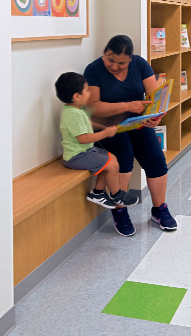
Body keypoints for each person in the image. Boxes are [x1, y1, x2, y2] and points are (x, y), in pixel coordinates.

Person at [84, 35, 177, 237]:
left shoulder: (140, 64)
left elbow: (154, 98)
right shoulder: (93, 70)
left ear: (130, 59)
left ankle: (159, 209)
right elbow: (93, 107)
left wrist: (155, 118)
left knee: (156, 160)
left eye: (121, 63)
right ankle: (120, 211)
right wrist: (127, 106)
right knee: (123, 159)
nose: (114, 66)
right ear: (104, 51)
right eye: (110, 60)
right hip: (107, 127)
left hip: (137, 123)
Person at [55, 72, 139, 210]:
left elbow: (87, 124)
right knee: (112, 165)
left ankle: (98, 193)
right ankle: (116, 194)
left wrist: (103, 128)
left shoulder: (76, 109)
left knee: (112, 158)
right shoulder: (72, 114)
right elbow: (83, 138)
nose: (89, 93)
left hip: (85, 151)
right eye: (86, 90)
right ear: (77, 96)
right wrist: (105, 133)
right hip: (76, 156)